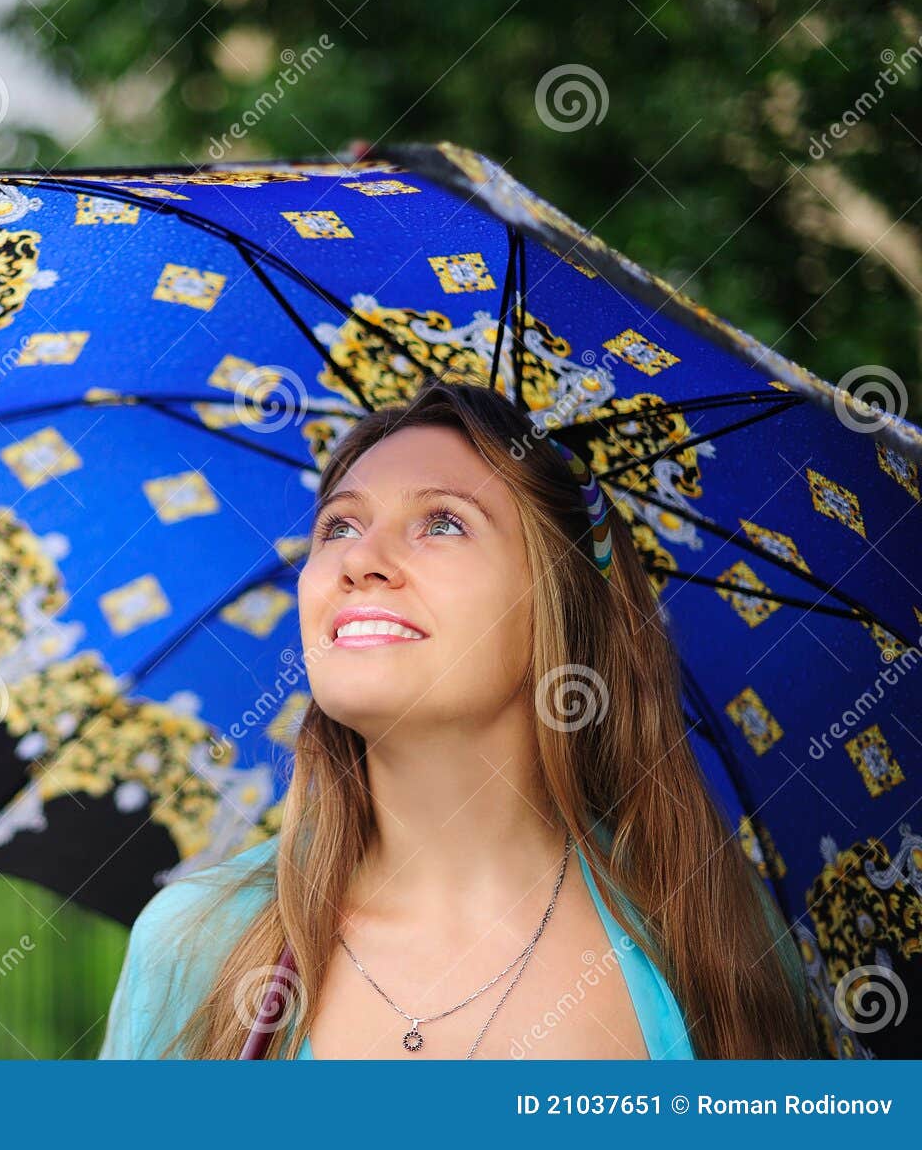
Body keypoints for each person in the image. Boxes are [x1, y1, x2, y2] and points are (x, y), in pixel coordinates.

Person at [99, 380, 818, 1060]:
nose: (360, 560)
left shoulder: (708, 940)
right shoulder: (195, 941)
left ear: (557, 605)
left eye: (443, 521)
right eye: (339, 525)